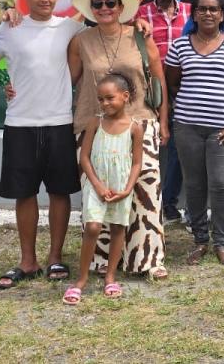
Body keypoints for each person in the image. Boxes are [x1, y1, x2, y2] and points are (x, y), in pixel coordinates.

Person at [0, 0, 84, 289]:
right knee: (24, 193)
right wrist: (3, 86)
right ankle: (28, 261)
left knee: (59, 192)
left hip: (59, 122)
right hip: (20, 123)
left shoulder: (70, 27)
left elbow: (108, 21)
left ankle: (55, 257)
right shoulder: (10, 27)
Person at [69, 0, 169, 279]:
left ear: (121, 7)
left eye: (110, 3)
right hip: (94, 125)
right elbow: (67, 81)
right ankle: (102, 260)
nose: (104, 9)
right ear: (91, 10)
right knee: (100, 191)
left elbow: (159, 80)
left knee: (145, 190)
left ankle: (148, 258)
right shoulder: (80, 41)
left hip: (140, 122)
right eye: (97, 4)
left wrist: (163, 121)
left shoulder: (139, 35)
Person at [166, 0, 224, 267]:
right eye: (202, 9)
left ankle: (221, 242)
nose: (207, 13)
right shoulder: (180, 46)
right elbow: (172, 82)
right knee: (194, 184)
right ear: (194, 14)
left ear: (221, 14)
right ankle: (200, 241)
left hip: (223, 129)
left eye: (213, 9)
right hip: (187, 127)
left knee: (222, 184)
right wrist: (190, 105)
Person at [63, 73, 144, 305]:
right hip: (96, 184)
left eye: (110, 98)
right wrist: (97, 185)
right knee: (93, 227)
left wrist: (127, 189)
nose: (105, 103)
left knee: (118, 228)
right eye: (100, 99)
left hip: (120, 186)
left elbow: (137, 162)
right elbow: (84, 157)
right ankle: (81, 280)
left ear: (125, 96)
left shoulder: (135, 128)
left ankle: (110, 277)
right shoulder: (95, 123)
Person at [138, 0, 191, 225]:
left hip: (185, 88)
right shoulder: (141, 14)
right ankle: (149, 201)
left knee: (181, 148)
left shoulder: (192, 11)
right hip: (152, 90)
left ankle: (169, 203)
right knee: (153, 146)